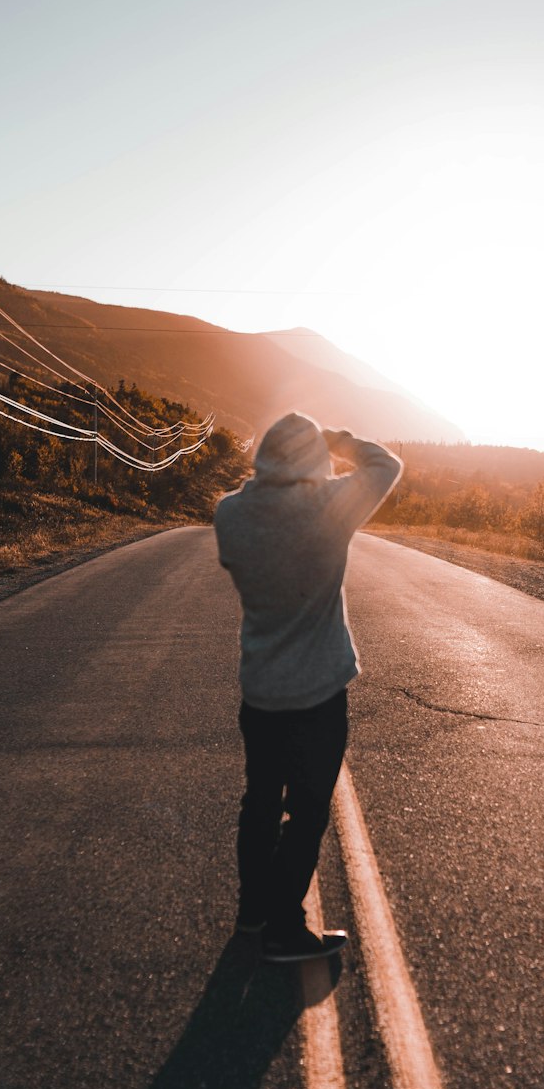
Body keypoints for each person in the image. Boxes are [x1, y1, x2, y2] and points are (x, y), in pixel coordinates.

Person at [214, 412, 403, 963]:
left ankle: (252, 917)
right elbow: (385, 465)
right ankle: (285, 929)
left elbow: (234, 553)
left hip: (261, 690)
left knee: (260, 804)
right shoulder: (328, 507)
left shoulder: (231, 514)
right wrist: (339, 439)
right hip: (318, 695)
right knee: (309, 812)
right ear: (315, 460)